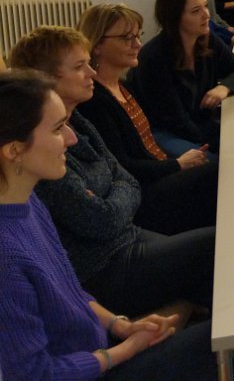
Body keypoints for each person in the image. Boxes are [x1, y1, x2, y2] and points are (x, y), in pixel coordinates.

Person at [0, 70, 220, 381]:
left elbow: (72, 292)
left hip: (102, 350)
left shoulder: (29, 202)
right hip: (95, 369)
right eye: (58, 129)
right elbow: (34, 373)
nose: (71, 139)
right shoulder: (6, 256)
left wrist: (121, 325)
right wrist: (125, 350)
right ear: (14, 150)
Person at [7, 29, 215, 319]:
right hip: (105, 265)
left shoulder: (77, 120)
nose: (91, 73)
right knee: (216, 246)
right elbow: (99, 219)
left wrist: (108, 197)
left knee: (211, 265)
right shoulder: (41, 155)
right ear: (47, 79)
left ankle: (203, 321)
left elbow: (126, 177)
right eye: (79, 67)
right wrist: (113, 194)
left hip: (128, 235)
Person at [76, 3, 218, 235]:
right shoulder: (95, 101)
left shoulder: (122, 86)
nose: (137, 45)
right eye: (126, 38)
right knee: (219, 175)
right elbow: (122, 166)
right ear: (97, 45)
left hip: (159, 174)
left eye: (137, 36)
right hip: (145, 193)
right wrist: (177, 164)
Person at [130, 0, 234, 155]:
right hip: (166, 132)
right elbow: (174, 119)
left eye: (206, 7)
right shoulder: (154, 57)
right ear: (175, 18)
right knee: (220, 160)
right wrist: (222, 142)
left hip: (198, 125)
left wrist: (224, 87)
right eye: (196, 11)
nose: (206, 15)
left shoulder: (207, 40)